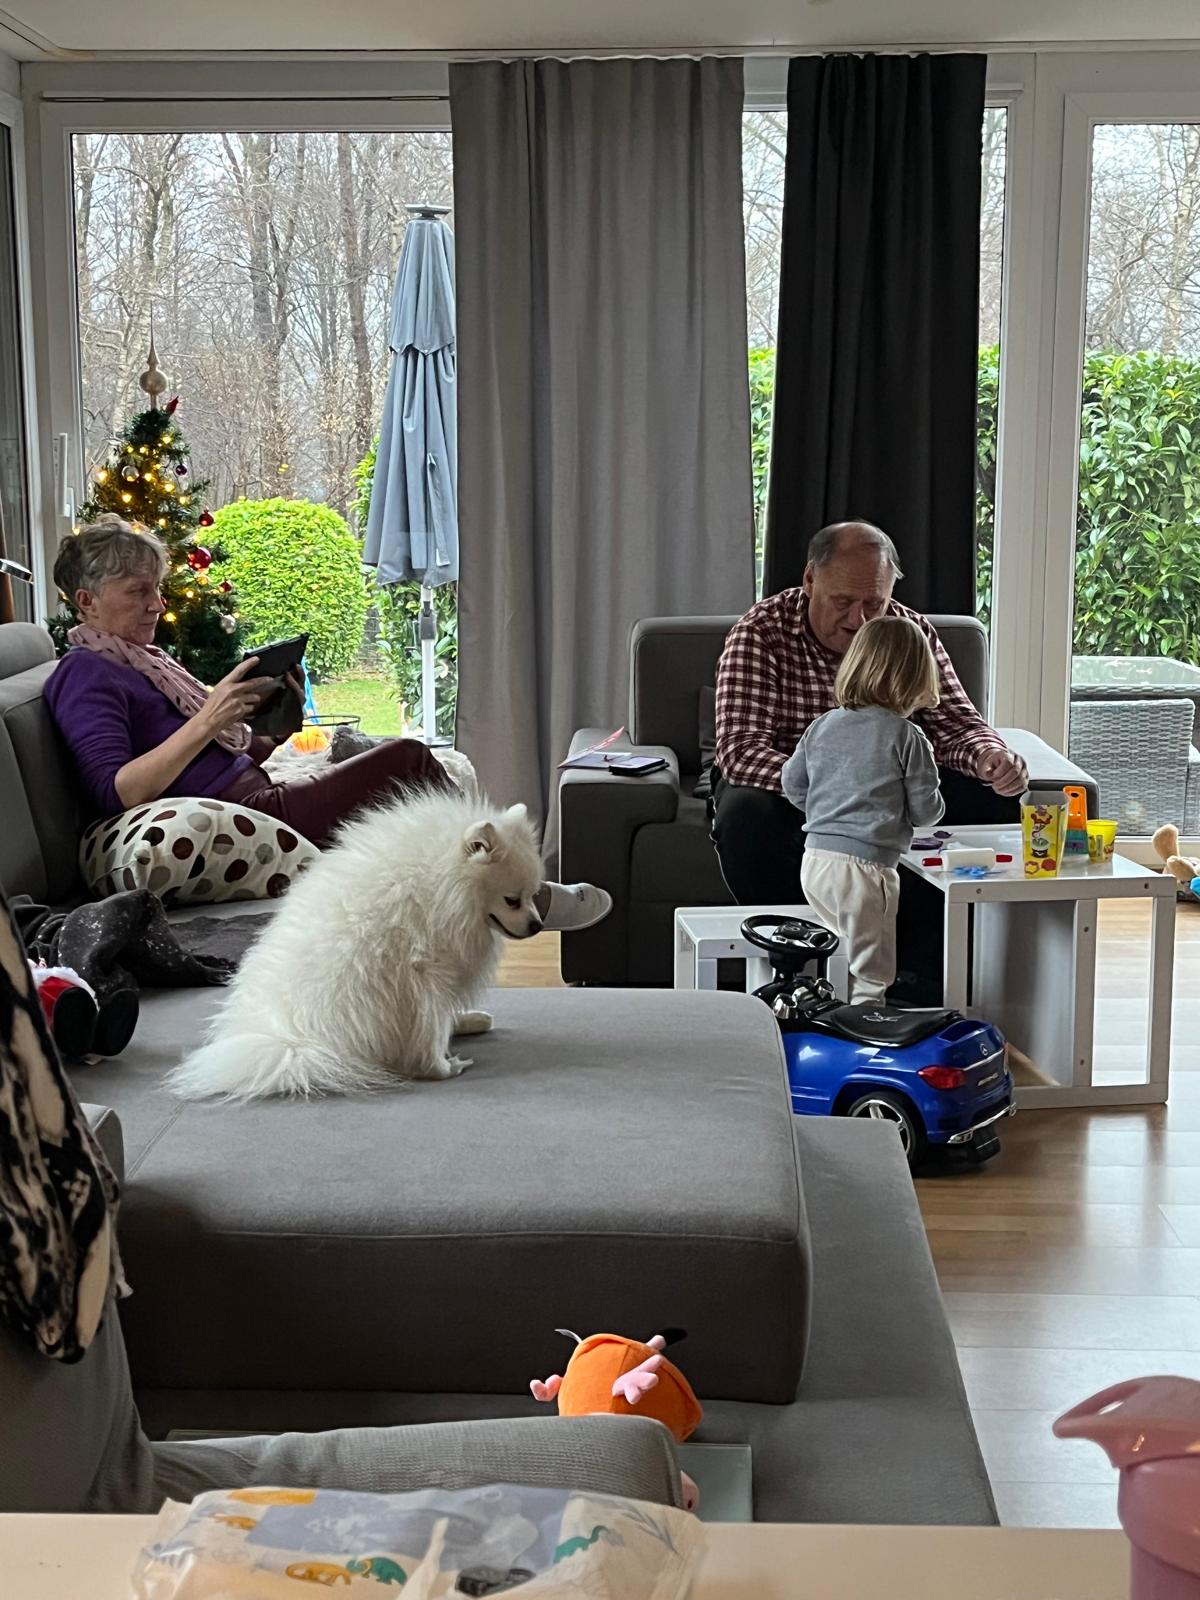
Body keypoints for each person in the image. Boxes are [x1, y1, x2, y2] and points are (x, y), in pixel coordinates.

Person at [45, 519, 608, 932]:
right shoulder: (85, 674)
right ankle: (519, 894)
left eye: (156, 589)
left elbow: (213, 760)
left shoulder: (144, 663)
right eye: (138, 592)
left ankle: (490, 896)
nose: (156, 605)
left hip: (255, 796)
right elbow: (118, 791)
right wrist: (209, 718)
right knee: (406, 761)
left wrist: (272, 732)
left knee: (399, 770)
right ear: (87, 601)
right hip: (251, 814)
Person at [713, 520, 1028, 999]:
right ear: (810, 579)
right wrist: (837, 784)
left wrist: (991, 757)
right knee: (744, 814)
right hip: (792, 789)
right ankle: (797, 957)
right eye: (843, 602)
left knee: (992, 796)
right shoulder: (761, 632)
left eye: (874, 604)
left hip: (892, 783)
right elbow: (740, 751)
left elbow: (957, 725)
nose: (859, 620)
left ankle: (930, 973)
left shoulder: (909, 631)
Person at [781, 616, 945, 1003]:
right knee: (871, 971)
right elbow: (926, 813)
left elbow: (792, 784)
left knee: (839, 952)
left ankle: (826, 1013)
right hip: (867, 871)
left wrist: (826, 813)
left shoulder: (822, 725)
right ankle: (866, 1028)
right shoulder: (906, 735)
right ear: (915, 679)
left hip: (816, 861)